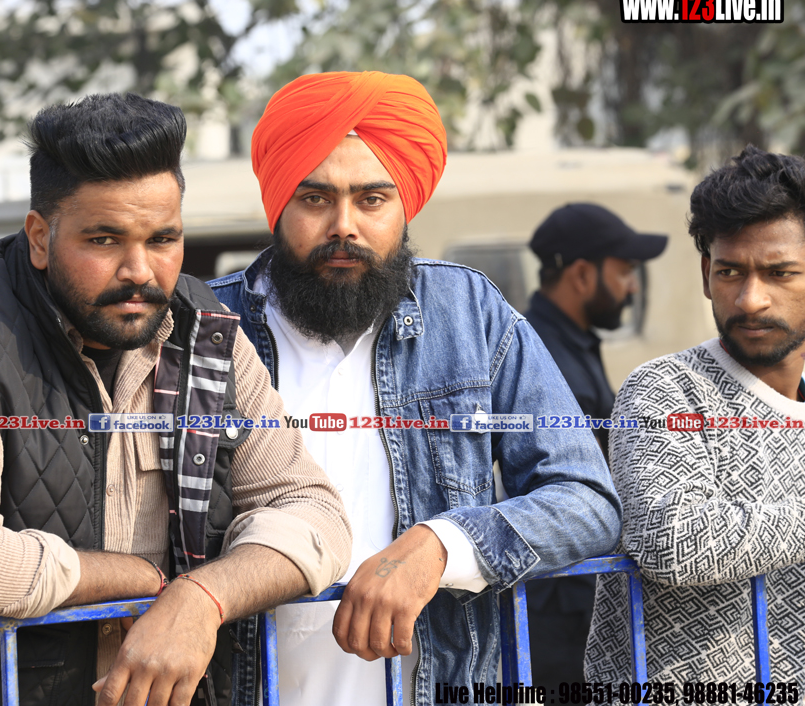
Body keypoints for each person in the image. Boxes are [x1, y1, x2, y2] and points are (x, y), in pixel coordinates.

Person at [0, 93, 351, 706]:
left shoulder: (205, 330)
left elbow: (315, 514)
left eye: (163, 239)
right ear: (39, 238)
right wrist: (138, 580)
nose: (140, 270)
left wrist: (202, 597)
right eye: (104, 240)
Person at [209, 71, 622, 706]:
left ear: (405, 207)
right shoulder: (208, 324)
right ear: (278, 203)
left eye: (372, 199)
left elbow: (586, 499)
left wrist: (443, 545)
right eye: (315, 199)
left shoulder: (469, 313)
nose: (344, 226)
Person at [585, 145, 805, 683]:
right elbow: (670, 538)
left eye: (780, 273)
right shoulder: (666, 390)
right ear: (707, 274)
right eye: (730, 272)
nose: (750, 299)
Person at [522, 203, 667, 689]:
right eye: (625, 270)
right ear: (583, 275)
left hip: (575, 597)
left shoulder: (569, 342)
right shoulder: (545, 356)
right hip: (562, 606)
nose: (632, 287)